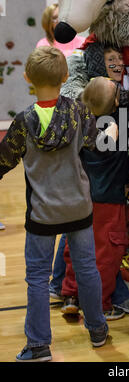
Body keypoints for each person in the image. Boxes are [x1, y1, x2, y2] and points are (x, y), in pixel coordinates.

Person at [0, 46, 108, 362]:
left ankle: (38, 346)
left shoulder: (22, 122)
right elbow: (97, 147)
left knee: (37, 277)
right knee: (87, 269)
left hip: (42, 214)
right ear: (65, 77)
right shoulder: (80, 112)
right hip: (79, 209)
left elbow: (3, 161)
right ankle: (98, 329)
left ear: (27, 78)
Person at [61, 76, 129, 319]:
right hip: (108, 201)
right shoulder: (118, 123)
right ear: (116, 101)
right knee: (107, 255)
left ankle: (70, 295)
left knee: (75, 248)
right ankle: (101, 304)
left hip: (79, 199)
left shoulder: (78, 122)